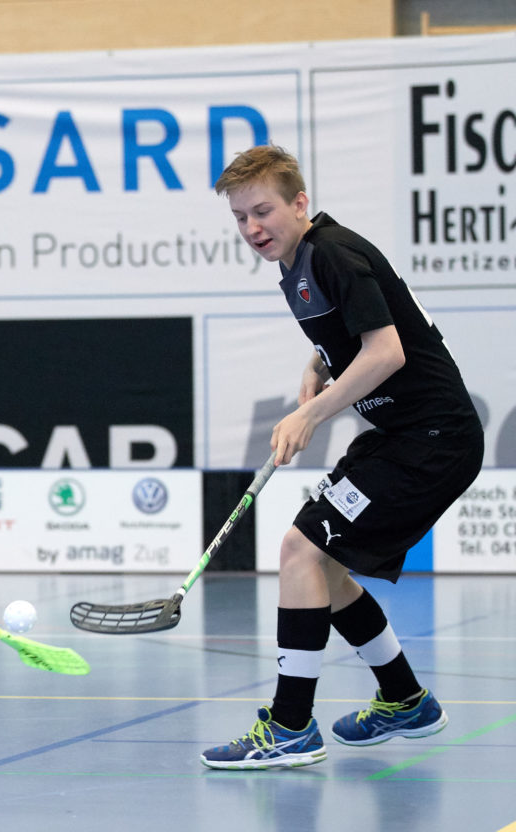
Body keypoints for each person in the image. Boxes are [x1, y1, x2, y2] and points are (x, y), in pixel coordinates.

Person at [201, 145, 483, 770]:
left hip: (430, 440)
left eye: (264, 211)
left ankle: (291, 726)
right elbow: (356, 330)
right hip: (397, 436)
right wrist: (317, 363)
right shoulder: (303, 259)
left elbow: (386, 353)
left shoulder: (333, 253)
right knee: (321, 564)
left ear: (300, 204)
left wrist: (309, 413)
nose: (252, 228)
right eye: (241, 217)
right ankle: (406, 699)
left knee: (300, 549)